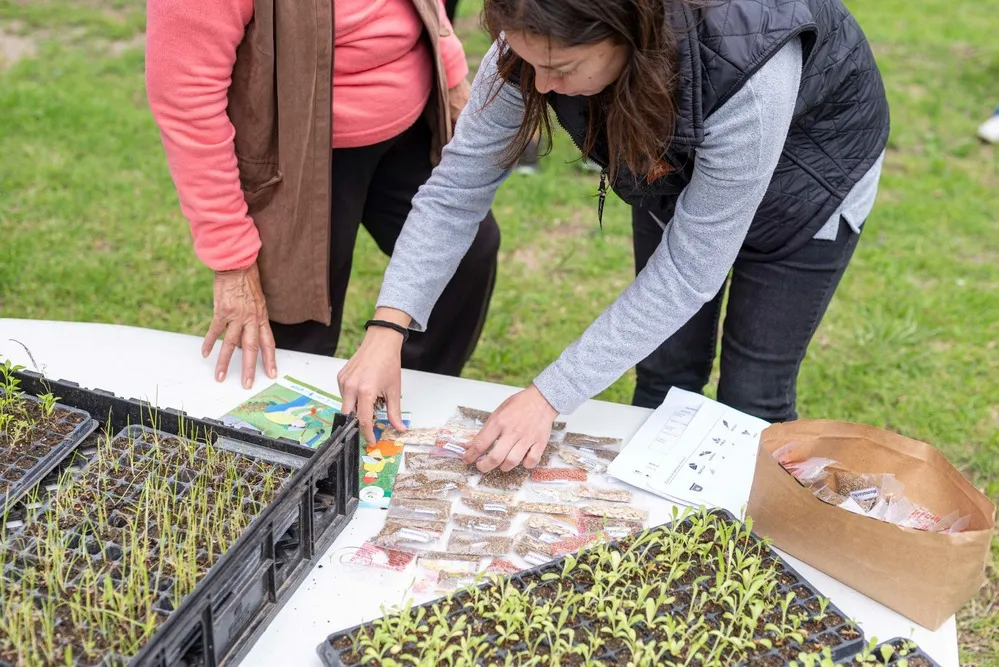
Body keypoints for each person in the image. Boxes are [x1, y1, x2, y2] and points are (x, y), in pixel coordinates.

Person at [338, 0, 890, 469]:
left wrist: (547, 397)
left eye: (561, 68)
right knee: (665, 372)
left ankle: (737, 546)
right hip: (669, 159)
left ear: (625, 36)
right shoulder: (536, 33)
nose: (541, 85)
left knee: (753, 398)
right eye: (530, 62)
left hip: (808, 179)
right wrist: (388, 327)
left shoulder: (749, 72)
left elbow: (688, 272)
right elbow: (457, 186)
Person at [146, 0, 500, 390]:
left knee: (465, 258)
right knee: (300, 333)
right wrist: (231, 258)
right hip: (295, 157)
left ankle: (409, 397)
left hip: (408, 126)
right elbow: (185, 95)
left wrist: (451, 71)